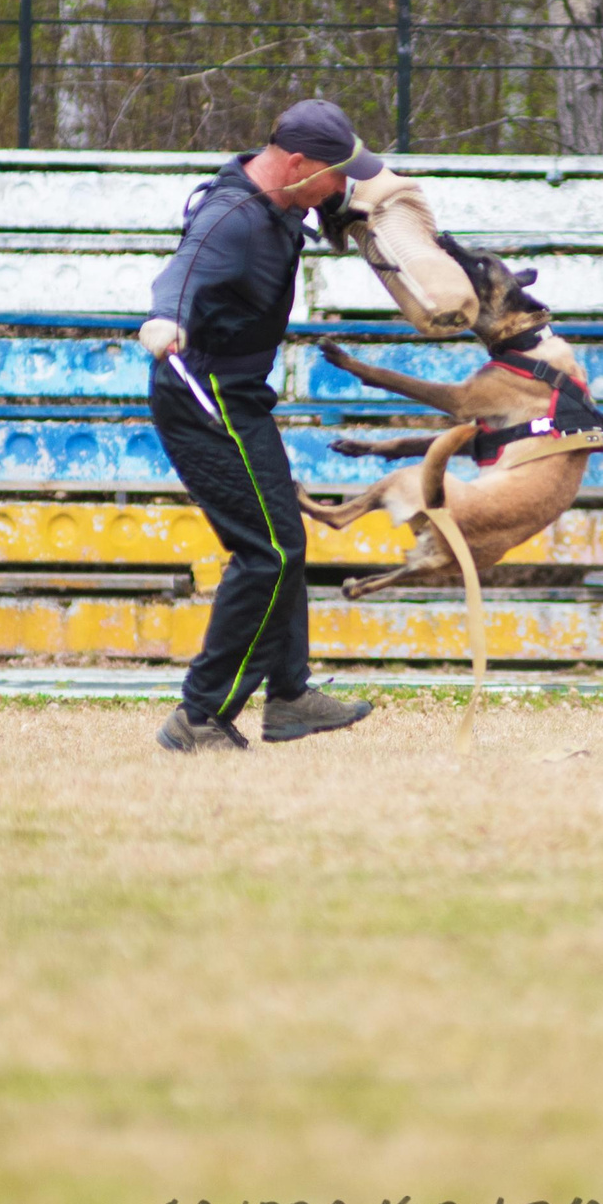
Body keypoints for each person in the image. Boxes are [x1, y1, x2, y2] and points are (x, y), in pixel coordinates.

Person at [138, 99, 387, 752]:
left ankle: (288, 696)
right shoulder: (232, 217)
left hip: (239, 391)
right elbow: (183, 273)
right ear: (298, 163)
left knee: (285, 542)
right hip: (203, 390)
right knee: (268, 551)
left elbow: (350, 204)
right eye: (337, 173)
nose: (342, 186)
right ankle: (200, 715)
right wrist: (165, 319)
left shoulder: (284, 196)